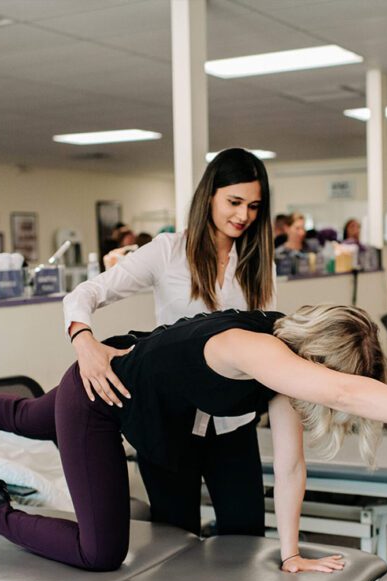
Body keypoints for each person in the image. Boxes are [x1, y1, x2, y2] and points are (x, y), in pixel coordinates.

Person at [0, 305, 387, 573]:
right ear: (318, 359)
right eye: (329, 380)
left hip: (121, 378)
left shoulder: (280, 369)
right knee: (100, 551)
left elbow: (291, 468)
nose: (326, 396)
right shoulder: (251, 347)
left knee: (30, 415)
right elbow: (344, 393)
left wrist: (290, 552)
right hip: (99, 398)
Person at [61, 147, 275, 539]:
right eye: (234, 202)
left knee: (247, 537)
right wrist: (84, 342)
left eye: (253, 206)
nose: (243, 215)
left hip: (234, 423)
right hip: (168, 421)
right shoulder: (168, 252)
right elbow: (85, 294)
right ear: (209, 196)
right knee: (175, 544)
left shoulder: (259, 264)